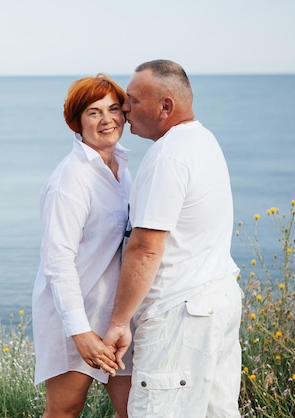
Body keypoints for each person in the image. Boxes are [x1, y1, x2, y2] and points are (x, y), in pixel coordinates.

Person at [103, 59, 243, 417]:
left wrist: (119, 322)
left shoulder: (168, 155)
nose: (124, 108)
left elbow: (146, 247)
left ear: (166, 106)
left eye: (132, 99)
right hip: (217, 299)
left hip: (179, 315)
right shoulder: (203, 141)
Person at [32, 73, 133, 418]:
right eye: (94, 112)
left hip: (118, 318)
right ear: (75, 121)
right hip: (75, 316)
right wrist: (80, 332)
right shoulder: (71, 178)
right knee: (64, 411)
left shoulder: (123, 166)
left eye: (114, 108)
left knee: (137, 409)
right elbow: (57, 262)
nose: (107, 119)